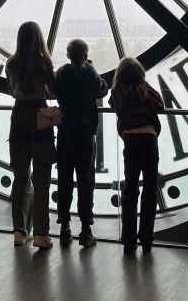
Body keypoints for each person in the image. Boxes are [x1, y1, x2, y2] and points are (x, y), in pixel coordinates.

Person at [6, 21, 57, 249]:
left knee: (20, 178)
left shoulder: (12, 63)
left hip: (18, 117)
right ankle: (41, 233)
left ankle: (19, 230)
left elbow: (12, 89)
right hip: (40, 117)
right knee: (42, 179)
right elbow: (54, 90)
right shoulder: (44, 62)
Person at [54, 39, 107, 247]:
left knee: (64, 181)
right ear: (85, 55)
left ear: (68, 55)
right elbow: (102, 89)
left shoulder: (62, 73)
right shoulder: (90, 73)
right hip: (85, 135)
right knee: (86, 182)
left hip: (65, 134)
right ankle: (86, 229)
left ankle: (64, 227)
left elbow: (54, 92)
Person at [110, 57, 163, 257]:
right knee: (150, 190)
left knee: (130, 191)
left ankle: (129, 240)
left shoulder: (117, 92)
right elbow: (160, 104)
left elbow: (114, 105)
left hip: (130, 141)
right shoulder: (145, 89)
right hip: (149, 139)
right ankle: (146, 238)